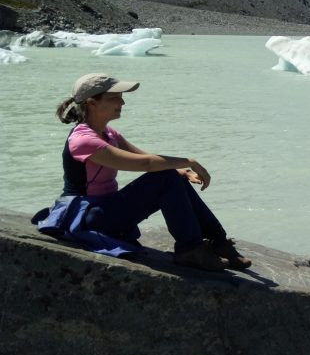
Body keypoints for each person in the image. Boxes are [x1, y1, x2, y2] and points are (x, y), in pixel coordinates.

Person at [39, 73, 251, 272]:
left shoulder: (109, 133)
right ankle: (190, 249)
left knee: (171, 175)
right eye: (114, 98)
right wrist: (191, 161)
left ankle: (218, 242)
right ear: (91, 103)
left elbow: (146, 158)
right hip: (89, 218)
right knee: (166, 176)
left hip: (106, 209)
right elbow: (146, 164)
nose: (122, 103)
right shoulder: (83, 140)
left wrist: (183, 171)